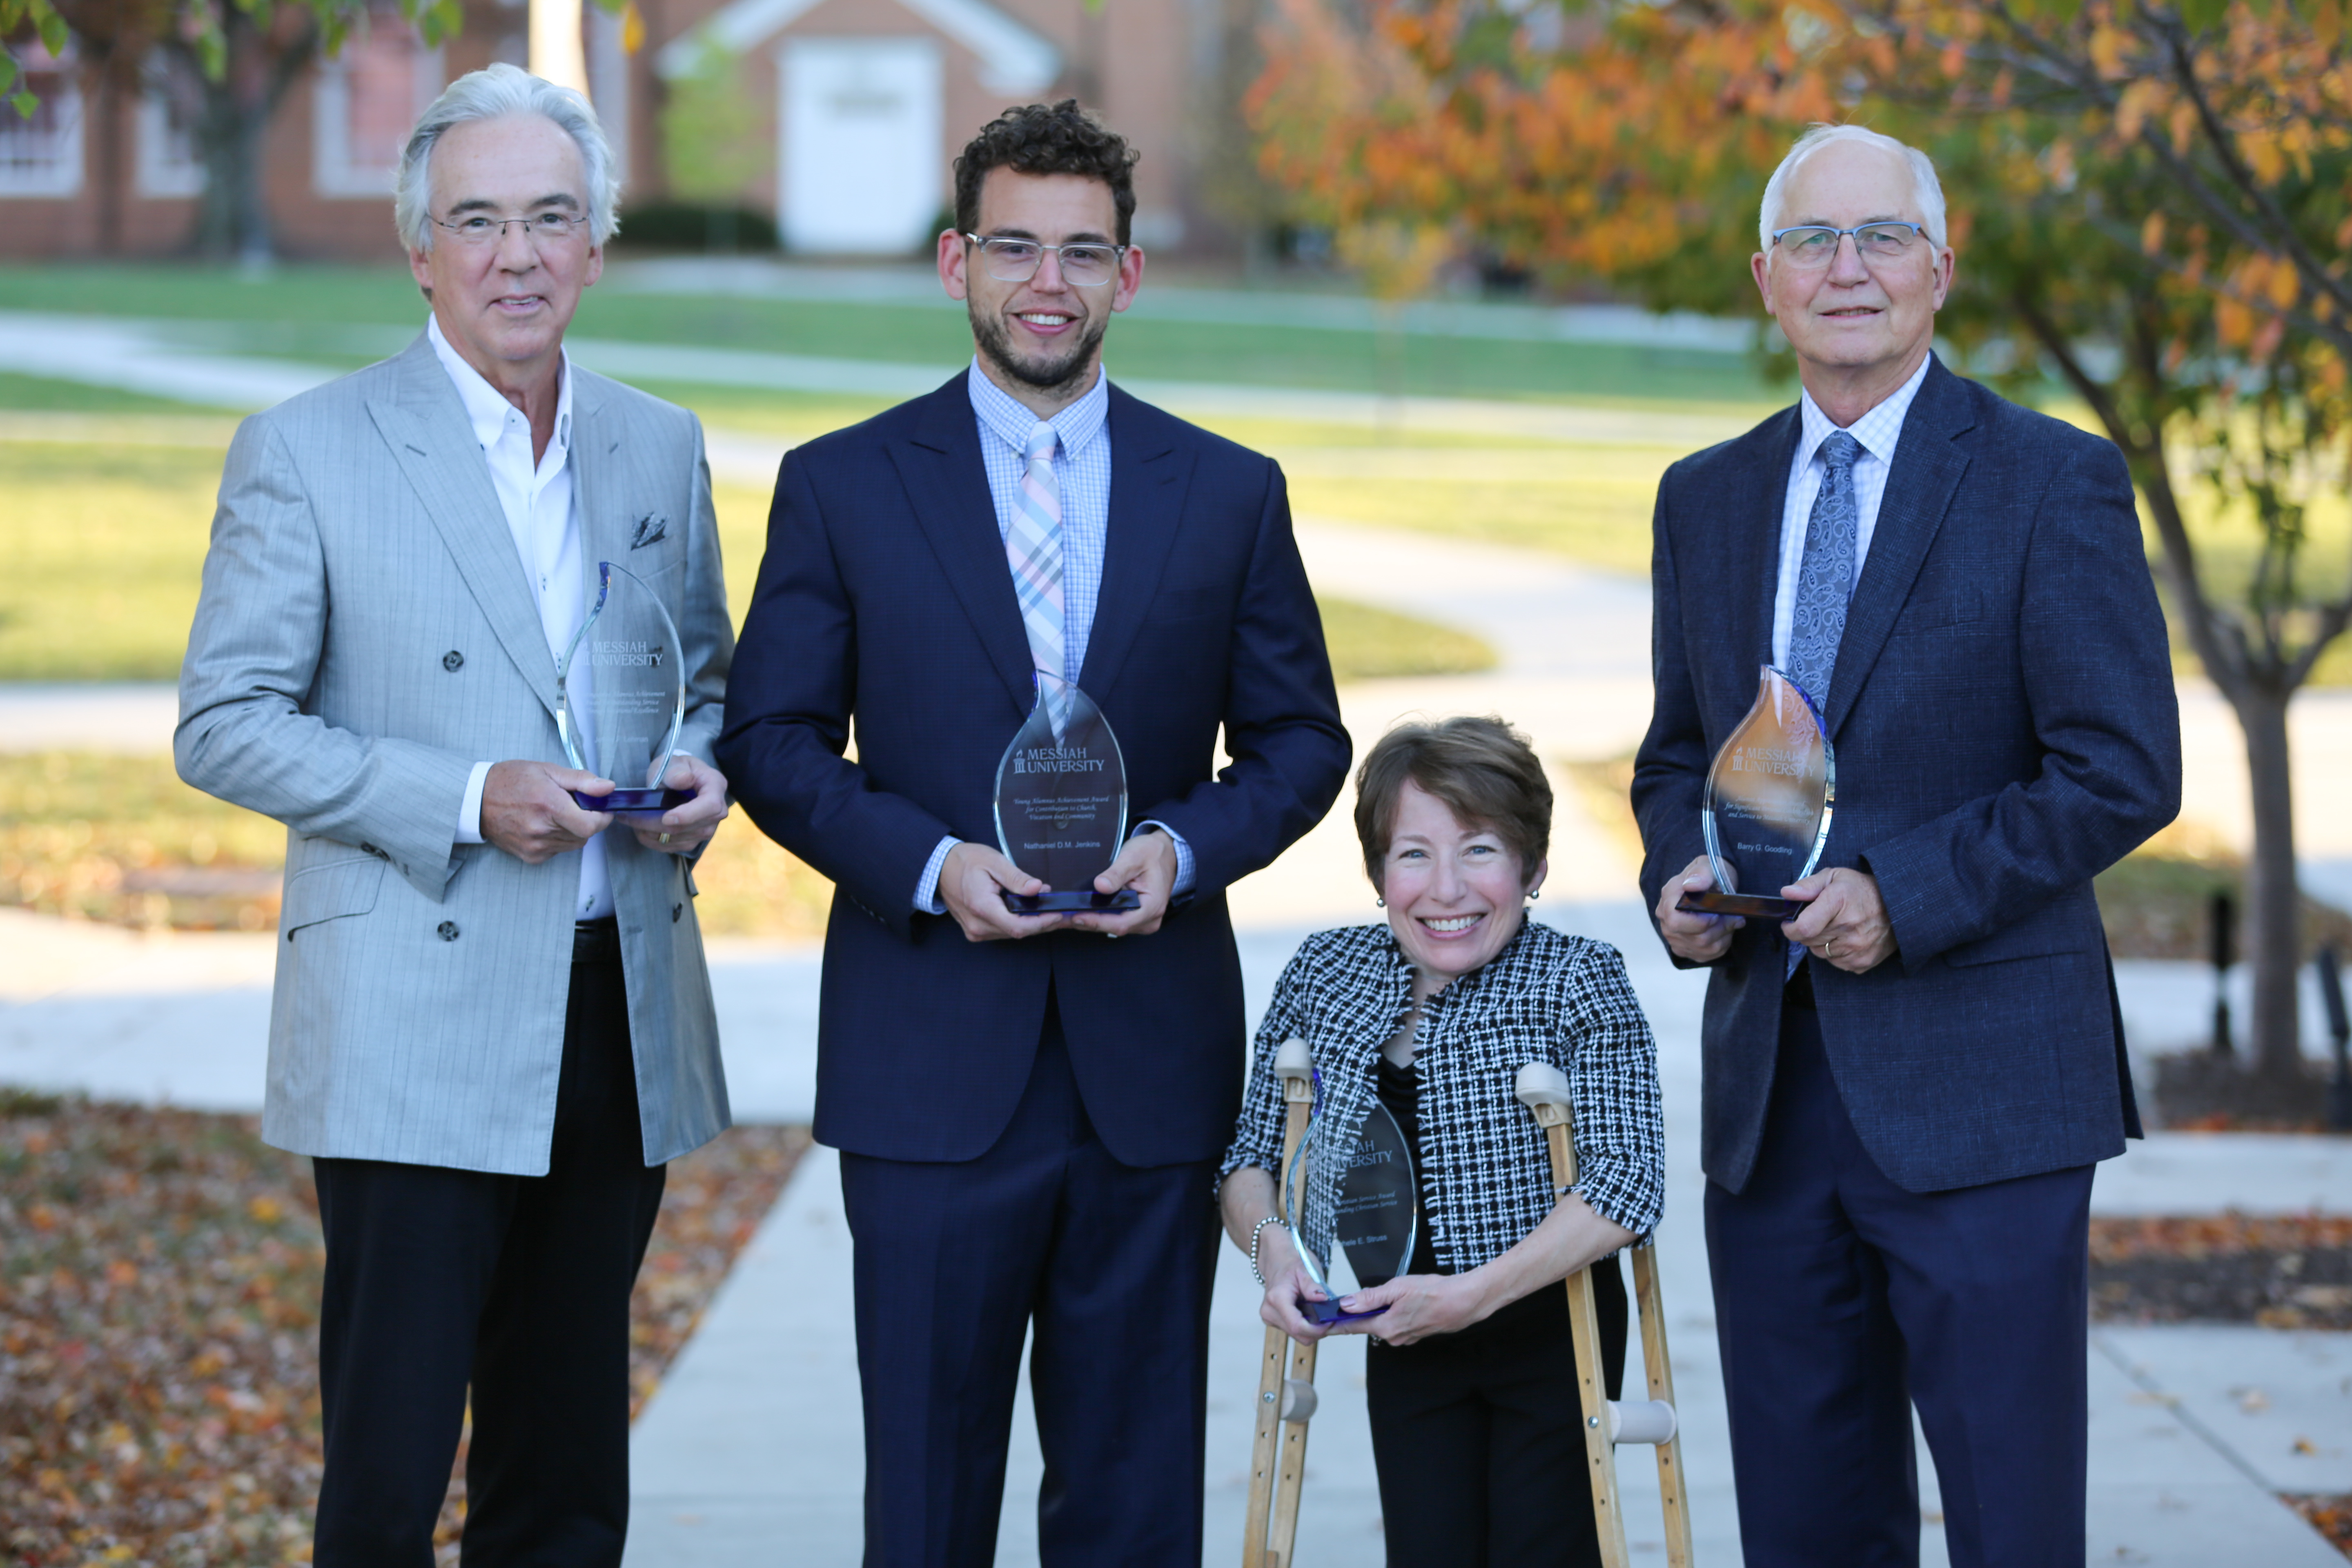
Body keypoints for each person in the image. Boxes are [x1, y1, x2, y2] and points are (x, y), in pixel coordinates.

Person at [716, 100, 1350, 1567]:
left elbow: (1303, 741)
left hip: (1149, 1067)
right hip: (929, 1062)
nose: (1046, 281)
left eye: (1083, 251)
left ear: (1129, 275)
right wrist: (930, 868)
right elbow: (772, 741)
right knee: (928, 1504)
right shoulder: (845, 486)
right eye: (1015, 246)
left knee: (1132, 1504)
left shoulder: (1230, 493)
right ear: (957, 262)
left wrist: (1183, 852)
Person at [174, 63, 734, 1567]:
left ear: (598, 242)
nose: (517, 254)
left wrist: (698, 772)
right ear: (418, 248)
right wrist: (465, 797)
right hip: (410, 1017)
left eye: (552, 217)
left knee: (563, 1475)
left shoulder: (657, 444)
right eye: (477, 220)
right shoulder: (309, 448)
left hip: (613, 1010)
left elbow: (705, 680)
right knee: (389, 1470)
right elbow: (222, 724)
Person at [1633, 124, 2181, 1567]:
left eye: (1881, 237)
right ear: (1766, 278)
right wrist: (1674, 878)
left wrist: (1906, 894)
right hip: (1772, 1100)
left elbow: (2121, 770)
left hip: (1986, 1095)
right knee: (1807, 1529)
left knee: (2009, 1524)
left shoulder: (2048, 481)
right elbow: (1681, 754)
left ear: (1942, 267)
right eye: (1813, 241)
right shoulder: (1706, 497)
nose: (1849, 268)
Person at [1219, 716, 1665, 1568]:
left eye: (1481, 850)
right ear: (1378, 870)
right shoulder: (1327, 973)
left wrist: (1472, 1296)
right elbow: (1249, 1160)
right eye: (1414, 854)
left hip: (1551, 1325)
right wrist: (1274, 1255)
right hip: (1404, 1333)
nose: (1447, 889)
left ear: (1533, 866)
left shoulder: (1579, 978)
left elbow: (1627, 1184)